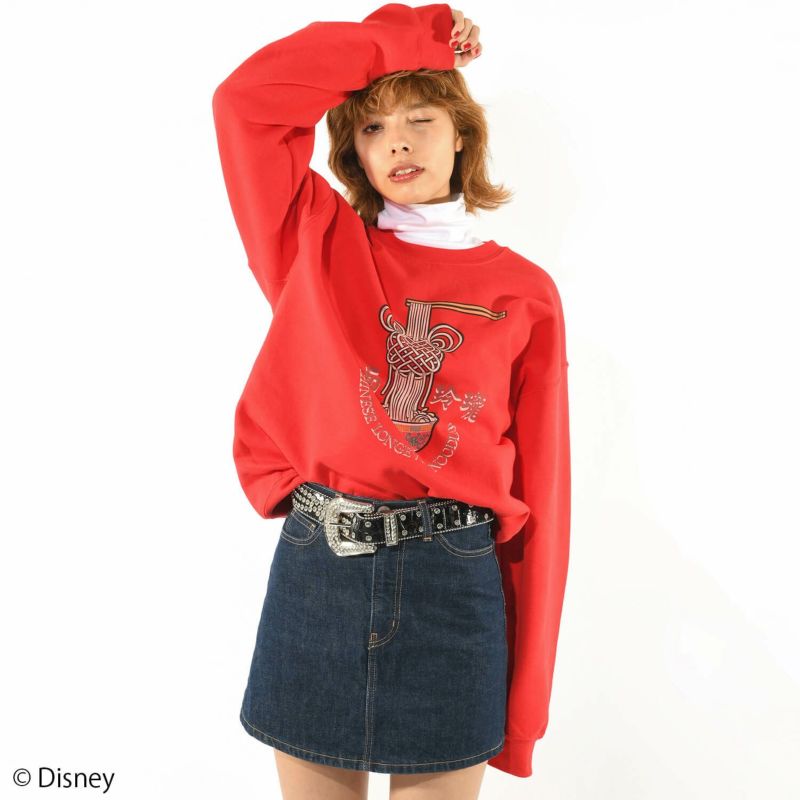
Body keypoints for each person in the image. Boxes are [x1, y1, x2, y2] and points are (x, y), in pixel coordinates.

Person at [212, 4, 571, 799]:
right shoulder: (312, 245)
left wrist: (524, 712)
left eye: (421, 119)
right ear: (354, 152)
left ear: (462, 135)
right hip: (320, 574)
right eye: (373, 128)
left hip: (455, 589)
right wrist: (413, 39)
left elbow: (544, 499)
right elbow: (245, 102)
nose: (399, 142)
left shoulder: (524, 293)